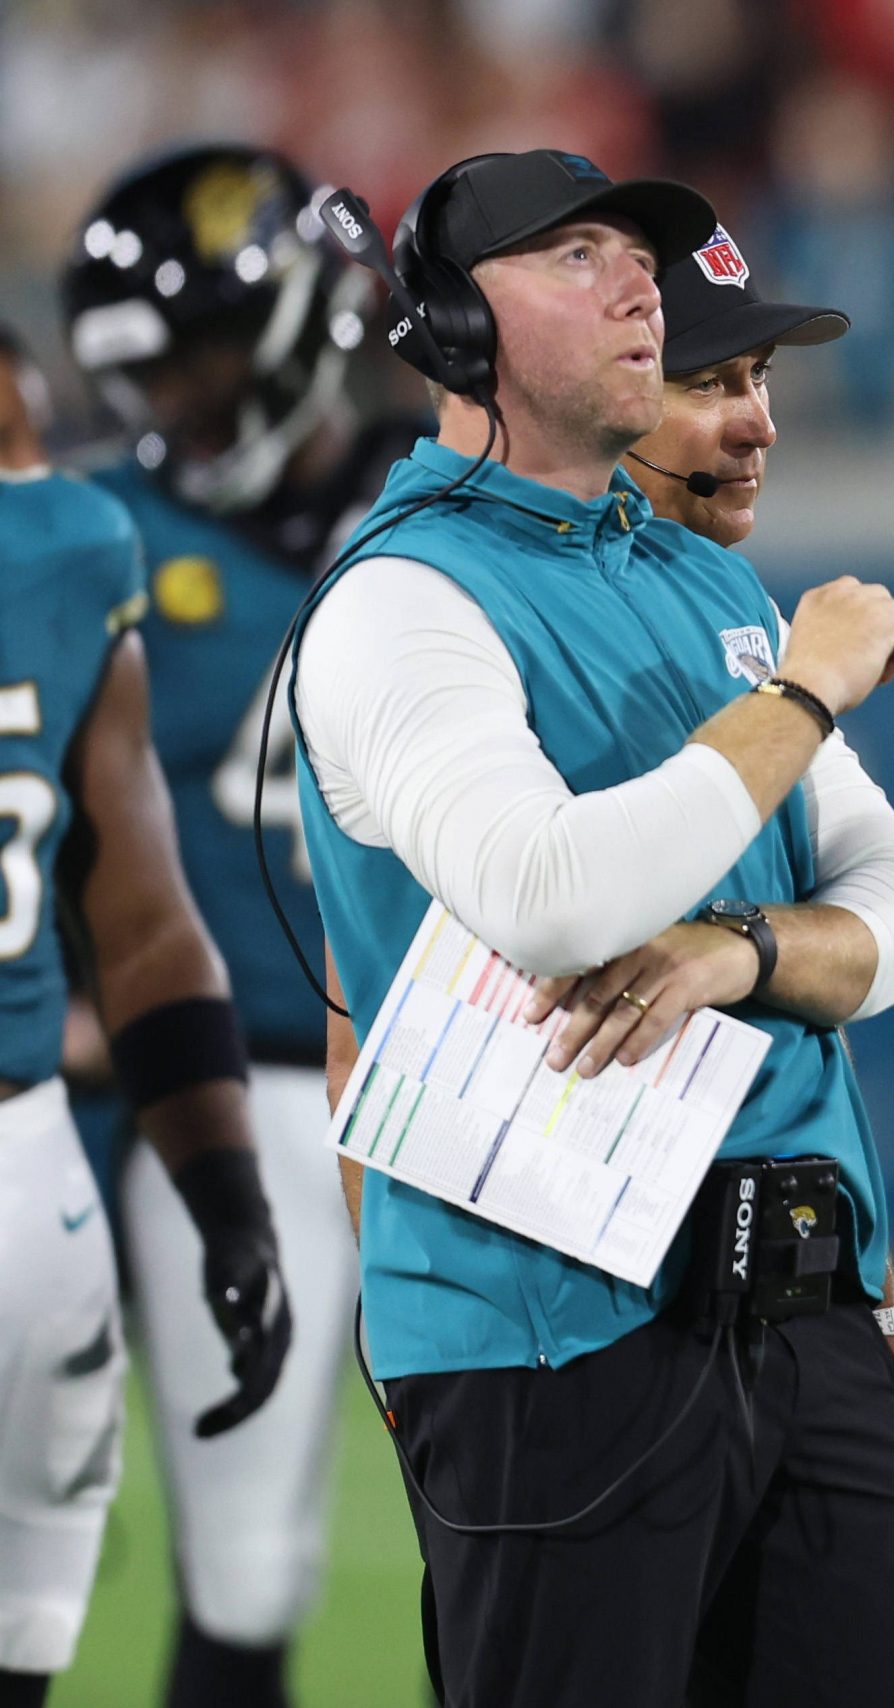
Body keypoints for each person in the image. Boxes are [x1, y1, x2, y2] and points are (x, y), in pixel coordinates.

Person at [289, 149, 894, 1704]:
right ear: (457, 332)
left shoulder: (693, 580)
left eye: (641, 254)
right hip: (551, 1334)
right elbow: (553, 895)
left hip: (804, 1304)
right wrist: (802, 695)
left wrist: (731, 951)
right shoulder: (401, 603)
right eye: (578, 254)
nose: (638, 283)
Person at [56, 142, 410, 1708]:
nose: (175, 406)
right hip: (85, 1094)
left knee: (265, 1566)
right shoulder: (79, 536)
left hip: (350, 1090)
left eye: (201, 358)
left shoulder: (458, 511)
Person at [0, 325, 292, 1708]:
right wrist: (227, 1192)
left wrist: (227, 1197)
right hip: (34, 1190)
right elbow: (148, 922)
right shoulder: (70, 545)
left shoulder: (68, 549)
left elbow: (143, 920)